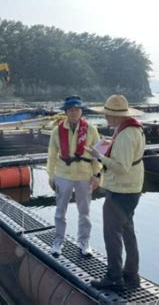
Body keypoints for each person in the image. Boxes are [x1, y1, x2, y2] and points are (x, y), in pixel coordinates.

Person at [85, 94, 145, 290]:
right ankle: (131, 273)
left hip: (121, 189)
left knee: (112, 234)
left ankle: (114, 277)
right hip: (132, 188)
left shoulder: (126, 134)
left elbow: (121, 167)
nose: (106, 118)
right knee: (128, 230)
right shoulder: (132, 129)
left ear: (116, 116)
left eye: (108, 115)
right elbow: (126, 156)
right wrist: (111, 145)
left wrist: (99, 156)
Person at [47, 95, 102, 257]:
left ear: (81, 111)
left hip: (84, 174)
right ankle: (58, 241)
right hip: (63, 173)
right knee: (60, 210)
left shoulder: (91, 130)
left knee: (84, 211)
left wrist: (97, 174)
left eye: (77, 109)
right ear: (65, 112)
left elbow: (97, 155)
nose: (74, 113)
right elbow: (51, 155)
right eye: (70, 110)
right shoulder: (57, 131)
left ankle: (84, 242)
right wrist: (51, 175)